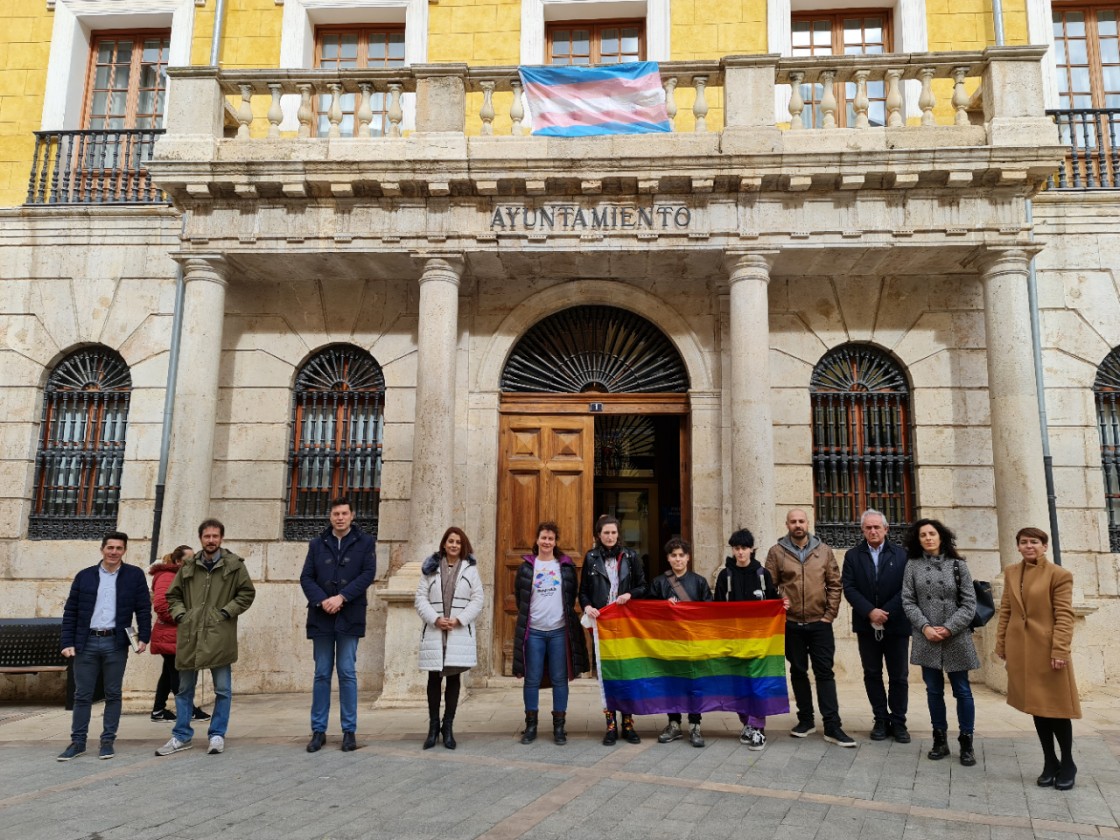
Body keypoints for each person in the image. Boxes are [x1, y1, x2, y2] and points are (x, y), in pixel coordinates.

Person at [157, 518, 256, 757]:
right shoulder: (189, 566)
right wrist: (182, 615)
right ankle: (181, 736)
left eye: (215, 536)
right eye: (206, 536)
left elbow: (246, 593)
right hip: (191, 635)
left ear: (221, 538)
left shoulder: (234, 565)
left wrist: (224, 612)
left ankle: (217, 734)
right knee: (184, 689)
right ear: (201, 538)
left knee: (222, 689)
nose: (211, 540)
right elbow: (173, 596)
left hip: (219, 635)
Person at [995, 527, 1081, 790]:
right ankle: (1049, 760)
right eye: (1023, 542)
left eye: (1034, 542)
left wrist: (1059, 650)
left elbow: (1065, 616)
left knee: (1056, 709)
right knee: (1035, 707)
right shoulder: (1011, 572)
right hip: (1021, 650)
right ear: (1018, 546)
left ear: (1045, 546)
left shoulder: (1059, 575)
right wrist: (1001, 643)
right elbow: (1007, 609)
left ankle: (1068, 763)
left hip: (1048, 651)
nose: (1029, 546)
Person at [57, 532, 151, 761]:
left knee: (113, 693)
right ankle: (77, 742)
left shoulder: (134, 575)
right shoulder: (85, 576)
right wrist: (67, 642)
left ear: (124, 551)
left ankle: (107, 741)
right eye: (110, 547)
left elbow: (143, 609)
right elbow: (71, 612)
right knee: (82, 695)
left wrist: (144, 637)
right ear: (102, 549)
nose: (114, 552)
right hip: (86, 642)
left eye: (119, 548)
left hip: (115, 642)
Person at [765, 508, 855, 747]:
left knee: (825, 673)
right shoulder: (776, 552)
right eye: (793, 521)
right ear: (786, 524)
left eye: (801, 521)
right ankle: (805, 720)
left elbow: (835, 584)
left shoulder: (823, 551)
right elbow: (768, 586)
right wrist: (779, 603)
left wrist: (830, 614)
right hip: (791, 624)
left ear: (808, 523)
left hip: (819, 624)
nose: (798, 525)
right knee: (797, 671)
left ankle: (832, 725)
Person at [301, 497, 377, 753]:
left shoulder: (365, 543)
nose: (340, 517)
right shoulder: (316, 544)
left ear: (352, 516)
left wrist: (342, 597)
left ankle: (349, 730)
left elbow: (367, 574)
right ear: (330, 516)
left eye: (344, 513)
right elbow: (306, 577)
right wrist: (323, 600)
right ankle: (318, 730)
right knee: (322, 673)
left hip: (349, 614)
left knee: (347, 672)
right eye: (336, 513)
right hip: (322, 616)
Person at [901, 518, 979, 767]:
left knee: (962, 691)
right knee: (933, 691)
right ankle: (939, 739)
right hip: (927, 638)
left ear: (941, 536)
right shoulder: (912, 566)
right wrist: (925, 627)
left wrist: (948, 628)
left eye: (932, 534)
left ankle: (966, 742)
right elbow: (908, 601)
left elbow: (969, 604)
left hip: (956, 636)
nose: (928, 538)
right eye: (923, 535)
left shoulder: (958, 565)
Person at [512, 521, 589, 745]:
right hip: (534, 632)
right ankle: (531, 725)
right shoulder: (527, 567)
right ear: (537, 540)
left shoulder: (564, 566)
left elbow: (570, 596)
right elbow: (520, 598)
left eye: (551, 539)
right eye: (543, 538)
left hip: (559, 632)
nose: (547, 542)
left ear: (556, 542)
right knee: (532, 679)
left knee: (559, 679)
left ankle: (559, 727)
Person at [841, 509, 911, 743]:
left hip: (897, 625)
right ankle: (880, 719)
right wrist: (870, 611)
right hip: (866, 624)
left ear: (886, 529)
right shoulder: (853, 556)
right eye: (868, 527)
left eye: (876, 527)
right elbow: (849, 588)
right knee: (872, 674)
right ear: (862, 530)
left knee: (899, 675)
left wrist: (886, 612)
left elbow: (906, 588)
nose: (872, 531)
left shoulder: (902, 555)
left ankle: (899, 721)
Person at [579, 514, 648, 745]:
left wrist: (630, 594)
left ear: (619, 534)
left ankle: (628, 725)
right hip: (602, 624)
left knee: (626, 673)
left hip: (625, 623)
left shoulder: (631, 556)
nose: (610, 536)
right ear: (598, 535)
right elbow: (583, 592)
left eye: (614, 532)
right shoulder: (591, 558)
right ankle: (611, 725)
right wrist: (587, 606)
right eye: (606, 532)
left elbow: (642, 586)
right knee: (606, 673)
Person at [416, 526, 484, 750]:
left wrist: (459, 619)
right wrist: (435, 619)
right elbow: (420, 599)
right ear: (444, 544)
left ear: (463, 546)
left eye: (458, 542)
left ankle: (448, 727)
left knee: (453, 679)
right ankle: (433, 727)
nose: (454, 545)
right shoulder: (430, 568)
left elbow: (478, 599)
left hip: (457, 632)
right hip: (436, 631)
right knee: (434, 680)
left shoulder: (470, 570)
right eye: (450, 541)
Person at [715, 527, 779, 750]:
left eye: (744, 548)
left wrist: (783, 604)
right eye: (736, 548)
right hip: (734, 640)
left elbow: (773, 602)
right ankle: (747, 724)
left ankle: (758, 727)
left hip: (760, 641)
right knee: (738, 684)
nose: (740, 552)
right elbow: (717, 609)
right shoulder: (725, 576)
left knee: (757, 683)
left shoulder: (763, 575)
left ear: (752, 549)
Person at [649, 536, 712, 747]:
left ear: (688, 558)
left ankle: (695, 726)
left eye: (681, 555)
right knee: (672, 684)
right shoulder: (658, 583)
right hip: (668, 642)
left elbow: (708, 612)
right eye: (674, 556)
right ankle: (674, 724)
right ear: (668, 558)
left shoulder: (700, 582)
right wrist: (662, 606)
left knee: (694, 684)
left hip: (693, 642)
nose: (678, 559)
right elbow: (647, 614)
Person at [149, 545, 210, 723]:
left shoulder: (182, 576)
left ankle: (158, 710)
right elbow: (161, 606)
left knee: (169, 673)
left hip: (175, 635)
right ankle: (188, 710)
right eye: (190, 558)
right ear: (178, 561)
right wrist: (185, 619)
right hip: (171, 635)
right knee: (178, 675)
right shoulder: (167, 577)